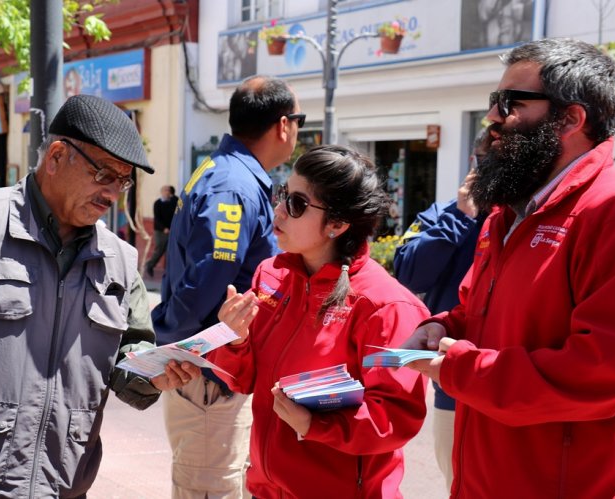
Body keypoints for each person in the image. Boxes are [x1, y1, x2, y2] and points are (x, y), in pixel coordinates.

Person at [0, 94, 198, 499]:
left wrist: (157, 375)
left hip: (60, 489)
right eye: (104, 174)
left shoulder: (119, 260)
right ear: (57, 156)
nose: (114, 192)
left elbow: (128, 365)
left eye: (124, 180)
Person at [404, 38, 615, 497]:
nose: (493, 117)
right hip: (489, 476)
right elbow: (476, 313)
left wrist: (461, 368)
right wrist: (441, 326)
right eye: (493, 102)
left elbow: (604, 373)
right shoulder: (507, 211)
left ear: (572, 119)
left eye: (510, 103)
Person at [210, 145, 430, 498]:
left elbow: (395, 416)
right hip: (266, 489)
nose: (278, 210)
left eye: (296, 204)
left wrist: (316, 425)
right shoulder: (272, 275)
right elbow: (243, 380)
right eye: (282, 194)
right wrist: (234, 340)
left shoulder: (387, 307)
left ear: (338, 224)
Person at [151, 75, 302, 498]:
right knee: (211, 488)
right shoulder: (235, 184)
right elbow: (206, 282)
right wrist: (180, 347)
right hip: (212, 373)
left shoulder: (226, 172)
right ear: (284, 125)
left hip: (213, 369)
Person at [392, 131, 488, 491]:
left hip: (506, 379)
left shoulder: (523, 221)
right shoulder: (445, 213)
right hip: (452, 381)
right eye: (481, 159)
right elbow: (409, 272)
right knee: (457, 482)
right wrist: (461, 217)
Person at [145, 184, 178, 277]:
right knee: (159, 250)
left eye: (169, 190)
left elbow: (178, 204)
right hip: (160, 231)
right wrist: (164, 228)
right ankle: (150, 265)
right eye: (165, 190)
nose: (167, 192)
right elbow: (157, 218)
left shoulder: (174, 201)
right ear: (162, 192)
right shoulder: (158, 203)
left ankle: (169, 271)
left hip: (171, 231)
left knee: (170, 251)